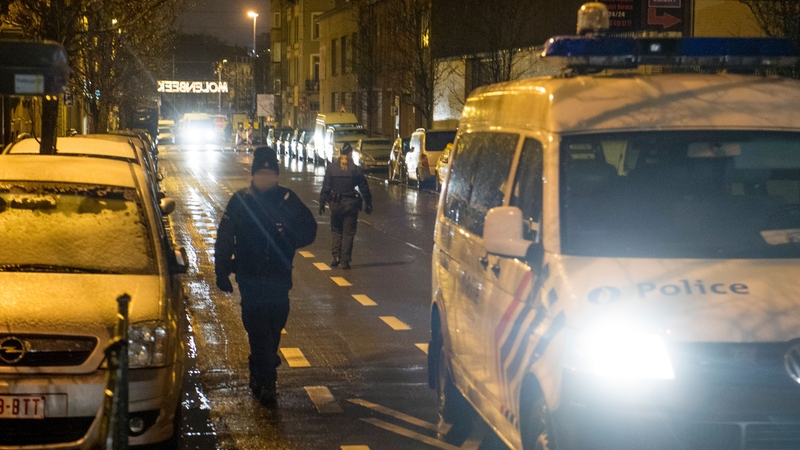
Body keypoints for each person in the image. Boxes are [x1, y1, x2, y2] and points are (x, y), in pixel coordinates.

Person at [214, 146, 317, 406]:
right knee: (258, 328)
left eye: (270, 171)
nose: (266, 176)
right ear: (254, 173)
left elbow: (309, 230)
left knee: (274, 326)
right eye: (261, 171)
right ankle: (267, 380)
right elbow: (225, 237)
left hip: (279, 279)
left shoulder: (286, 199)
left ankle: (260, 366)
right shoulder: (241, 200)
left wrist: (289, 235)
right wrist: (222, 271)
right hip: (250, 278)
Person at [319, 142, 372, 270]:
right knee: (348, 233)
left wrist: (322, 202)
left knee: (336, 231)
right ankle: (345, 261)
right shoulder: (356, 170)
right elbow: (364, 188)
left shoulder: (331, 168)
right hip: (350, 205)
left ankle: (336, 256)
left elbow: (326, 187)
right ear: (350, 154)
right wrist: (368, 203)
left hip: (335, 205)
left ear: (339, 154)